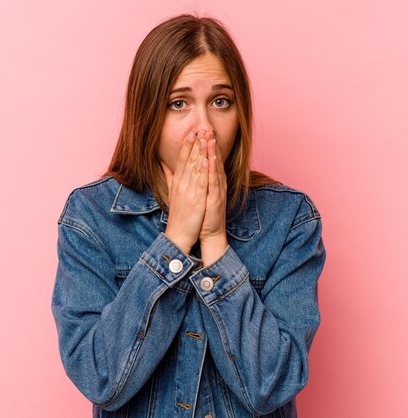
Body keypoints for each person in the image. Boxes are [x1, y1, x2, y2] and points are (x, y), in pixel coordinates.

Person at [51, 13, 326, 418]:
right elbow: (100, 379)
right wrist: (175, 241)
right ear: (148, 115)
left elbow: (272, 385)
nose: (205, 128)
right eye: (178, 104)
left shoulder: (291, 219)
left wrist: (214, 242)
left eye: (220, 102)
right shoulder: (90, 218)